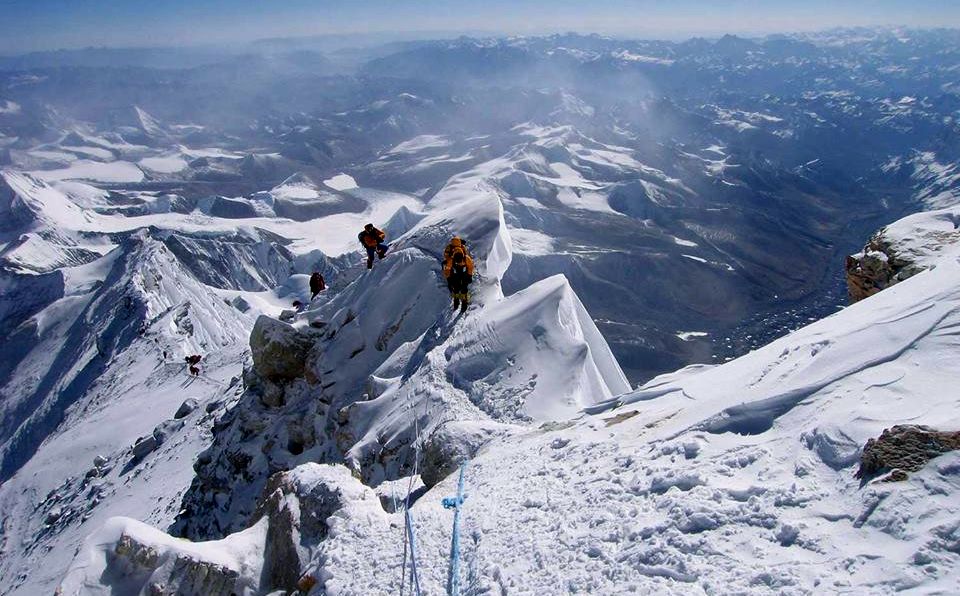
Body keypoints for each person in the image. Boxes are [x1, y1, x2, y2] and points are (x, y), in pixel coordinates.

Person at [443, 236, 474, 312]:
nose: (459, 263)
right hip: (457, 272)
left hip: (462, 272)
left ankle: (464, 303)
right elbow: (447, 270)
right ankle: (456, 302)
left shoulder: (466, 258)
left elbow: (470, 266)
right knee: (456, 288)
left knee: (464, 288)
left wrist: (469, 276)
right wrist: (449, 279)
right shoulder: (451, 260)